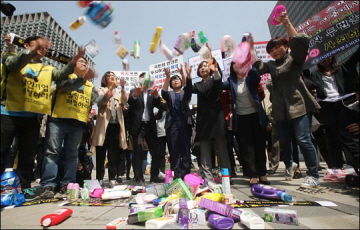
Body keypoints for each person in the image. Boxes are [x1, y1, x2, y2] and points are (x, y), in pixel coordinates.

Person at [1, 35, 85, 196]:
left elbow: (61, 75)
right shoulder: (11, 58)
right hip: (8, 113)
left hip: (31, 117)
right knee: (4, 151)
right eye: (37, 45)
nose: (42, 48)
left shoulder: (47, 69)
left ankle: (25, 188)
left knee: (28, 154)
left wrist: (75, 59)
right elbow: (14, 63)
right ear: (26, 45)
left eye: (44, 46)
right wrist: (31, 50)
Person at [252, 12, 321, 188]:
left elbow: (300, 43)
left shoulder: (294, 59)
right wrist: (250, 50)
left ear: (285, 45)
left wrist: (287, 23)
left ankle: (313, 175)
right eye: (271, 50)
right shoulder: (271, 65)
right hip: (280, 110)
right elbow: (258, 67)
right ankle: (290, 165)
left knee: (303, 139)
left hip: (299, 105)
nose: (274, 52)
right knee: (284, 141)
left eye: (277, 47)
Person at [39, 57, 98, 198]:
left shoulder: (90, 85)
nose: (84, 63)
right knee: (52, 152)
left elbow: (99, 100)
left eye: (86, 62)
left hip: (78, 123)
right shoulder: (65, 75)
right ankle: (49, 185)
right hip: (59, 120)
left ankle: (68, 185)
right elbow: (67, 86)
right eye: (81, 61)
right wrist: (83, 79)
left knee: (72, 155)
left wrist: (109, 93)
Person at [307, 47, 359, 169]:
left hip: (344, 104)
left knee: (348, 135)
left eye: (327, 56)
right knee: (331, 137)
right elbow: (303, 75)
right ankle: (336, 167)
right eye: (321, 58)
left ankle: (354, 164)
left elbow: (356, 56)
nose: (325, 59)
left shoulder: (343, 67)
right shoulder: (315, 75)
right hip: (327, 106)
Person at [222, 62, 270, 185]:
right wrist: (216, 71)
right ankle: (252, 175)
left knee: (259, 145)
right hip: (241, 118)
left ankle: (262, 174)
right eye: (235, 65)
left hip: (256, 116)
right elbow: (220, 85)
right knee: (247, 148)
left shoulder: (250, 77)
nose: (238, 66)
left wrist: (250, 63)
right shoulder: (231, 81)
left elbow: (256, 76)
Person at [192, 54, 232, 181]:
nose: (203, 68)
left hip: (217, 120)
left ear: (210, 68)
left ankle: (226, 176)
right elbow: (187, 90)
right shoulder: (197, 85)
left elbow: (217, 82)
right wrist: (186, 77)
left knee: (222, 150)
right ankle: (208, 178)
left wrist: (211, 59)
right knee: (205, 152)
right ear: (198, 71)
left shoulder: (215, 81)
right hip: (203, 122)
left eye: (205, 66)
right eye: (201, 67)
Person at [92, 72, 128, 188]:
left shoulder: (118, 91)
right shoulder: (100, 89)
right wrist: (111, 87)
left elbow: (124, 101)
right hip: (103, 125)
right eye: (109, 76)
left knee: (113, 154)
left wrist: (122, 87)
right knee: (100, 153)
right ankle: (99, 178)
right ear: (105, 79)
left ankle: (112, 178)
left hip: (116, 125)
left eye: (114, 76)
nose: (112, 77)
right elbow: (101, 101)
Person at [127, 72, 162, 184]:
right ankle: (139, 177)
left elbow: (159, 105)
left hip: (150, 125)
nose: (145, 81)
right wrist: (136, 94)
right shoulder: (134, 91)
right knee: (138, 151)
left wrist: (156, 95)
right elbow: (131, 102)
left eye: (147, 79)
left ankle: (154, 177)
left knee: (155, 152)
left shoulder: (152, 92)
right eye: (142, 78)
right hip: (138, 126)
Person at [162, 63, 193, 180]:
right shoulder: (169, 94)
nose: (175, 81)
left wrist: (185, 74)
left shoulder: (185, 92)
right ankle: (177, 174)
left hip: (185, 123)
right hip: (172, 125)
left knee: (185, 149)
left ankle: (186, 174)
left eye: (177, 79)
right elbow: (163, 92)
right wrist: (167, 77)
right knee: (174, 149)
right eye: (173, 80)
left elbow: (189, 87)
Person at [156, 98, 168, 176]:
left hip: (168, 132)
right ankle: (161, 170)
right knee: (161, 153)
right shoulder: (157, 109)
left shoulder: (169, 108)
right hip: (160, 133)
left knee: (172, 152)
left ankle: (172, 170)